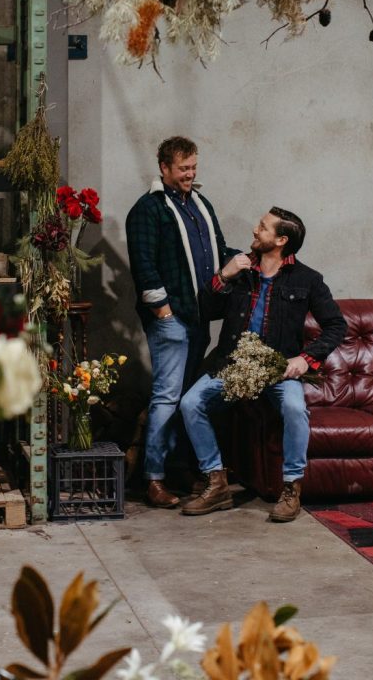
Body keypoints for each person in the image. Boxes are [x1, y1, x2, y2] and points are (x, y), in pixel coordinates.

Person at [179, 206, 346, 522]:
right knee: (190, 404)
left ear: (281, 239)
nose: (256, 230)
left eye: (263, 227)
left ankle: (292, 489)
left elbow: (336, 325)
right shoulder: (241, 270)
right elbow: (206, 309)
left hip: (277, 369)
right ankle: (216, 484)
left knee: (296, 409)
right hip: (231, 363)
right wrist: (223, 276)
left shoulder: (308, 280)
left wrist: (304, 359)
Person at [125, 136, 231, 508]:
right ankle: (153, 479)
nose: (190, 174)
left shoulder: (200, 204)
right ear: (165, 168)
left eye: (194, 167)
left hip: (199, 317)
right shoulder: (148, 209)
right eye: (183, 168)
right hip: (171, 320)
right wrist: (163, 311)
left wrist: (250, 260)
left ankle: (178, 467)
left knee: (187, 398)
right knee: (167, 398)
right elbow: (144, 266)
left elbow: (218, 249)